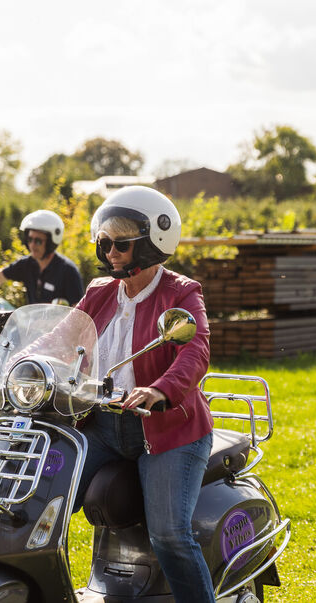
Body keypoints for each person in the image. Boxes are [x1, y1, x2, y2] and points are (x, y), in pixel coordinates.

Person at [66, 185, 216, 602]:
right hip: (103, 426)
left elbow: (195, 348)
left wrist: (161, 389)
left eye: (121, 244)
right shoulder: (99, 292)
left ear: (152, 243)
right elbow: (63, 338)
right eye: (104, 243)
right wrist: (22, 361)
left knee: (169, 534)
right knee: (45, 500)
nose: (110, 252)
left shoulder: (181, 292)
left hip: (167, 429)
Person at [0, 209, 84, 305]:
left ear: (51, 242)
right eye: (30, 239)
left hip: (59, 333)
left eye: (38, 241)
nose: (32, 245)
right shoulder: (27, 264)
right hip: (31, 330)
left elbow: (78, 309)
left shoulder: (68, 271)